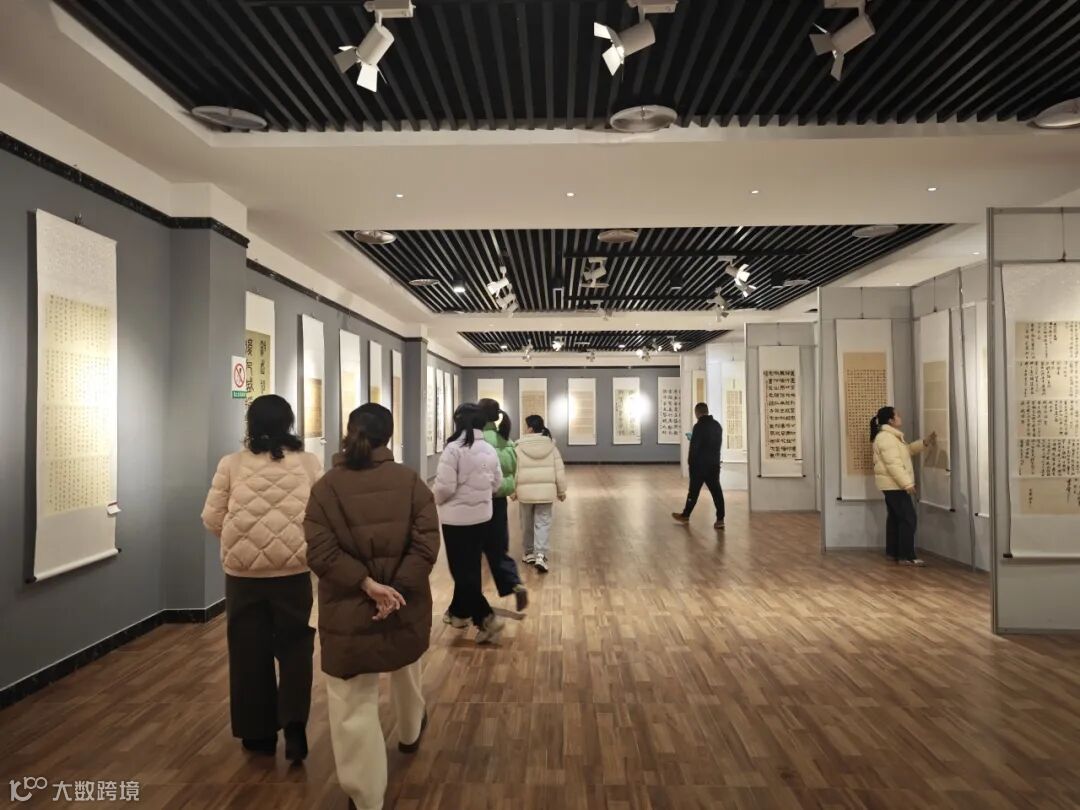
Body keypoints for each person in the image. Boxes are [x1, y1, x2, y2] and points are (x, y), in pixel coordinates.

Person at [304, 403, 440, 810]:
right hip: (404, 601)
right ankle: (410, 732)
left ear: (349, 433)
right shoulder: (411, 482)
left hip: (348, 607)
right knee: (407, 667)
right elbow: (426, 546)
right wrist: (394, 591)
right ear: (389, 435)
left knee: (351, 701)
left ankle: (366, 798)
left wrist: (367, 585)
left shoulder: (326, 488)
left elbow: (321, 552)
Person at [201, 394, 322, 763]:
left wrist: (241, 542)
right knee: (297, 647)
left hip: (244, 576)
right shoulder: (308, 462)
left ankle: (258, 735)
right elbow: (320, 514)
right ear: (288, 423)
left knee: (248, 651)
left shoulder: (232, 464)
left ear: (251, 425)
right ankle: (295, 725)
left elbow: (211, 517)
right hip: (294, 571)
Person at [434, 403, 507, 643]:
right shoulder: (489, 448)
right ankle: (459, 613)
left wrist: (436, 500)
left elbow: (444, 487)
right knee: (471, 567)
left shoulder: (454, 449)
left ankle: (486, 617)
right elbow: (497, 484)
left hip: (456, 520)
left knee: (460, 571)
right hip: (482, 516)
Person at [477, 398, 529, 612]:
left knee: (473, 549)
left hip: (479, 499)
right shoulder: (505, 439)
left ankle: (466, 603)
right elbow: (511, 469)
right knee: (498, 546)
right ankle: (513, 581)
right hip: (499, 499)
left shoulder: (478, 440)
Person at [871, 406, 936, 566]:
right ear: (890, 420)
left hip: (891, 485)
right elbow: (893, 464)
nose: (900, 417)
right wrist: (907, 484)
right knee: (908, 519)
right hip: (894, 485)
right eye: (897, 415)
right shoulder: (886, 438)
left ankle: (894, 553)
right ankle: (907, 556)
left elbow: (905, 452)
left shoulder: (890, 437)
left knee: (895, 518)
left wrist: (923, 443)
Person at [515, 415, 567, 573]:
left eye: (526, 426)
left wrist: (513, 491)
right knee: (543, 523)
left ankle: (529, 553)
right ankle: (541, 555)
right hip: (546, 493)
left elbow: (514, 471)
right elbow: (559, 471)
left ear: (530, 428)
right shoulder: (551, 447)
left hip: (525, 493)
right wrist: (561, 491)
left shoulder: (519, 447)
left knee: (526, 523)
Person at [672, 402, 726, 530]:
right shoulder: (717, 426)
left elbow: (694, 448)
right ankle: (720, 519)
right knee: (717, 492)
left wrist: (690, 463)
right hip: (714, 465)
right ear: (707, 411)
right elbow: (714, 445)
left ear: (697, 413)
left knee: (693, 492)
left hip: (699, 466)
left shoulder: (698, 426)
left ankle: (686, 515)